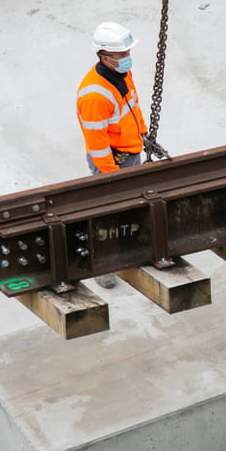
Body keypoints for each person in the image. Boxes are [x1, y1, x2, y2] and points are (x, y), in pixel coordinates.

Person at [76, 22, 149, 288]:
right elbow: (96, 146)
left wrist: (143, 134)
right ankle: (103, 266)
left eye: (128, 52)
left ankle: (128, 253)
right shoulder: (94, 96)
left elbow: (132, 107)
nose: (127, 58)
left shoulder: (121, 75)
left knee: (129, 209)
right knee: (109, 214)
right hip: (112, 161)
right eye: (121, 54)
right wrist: (111, 178)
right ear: (104, 56)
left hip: (129, 152)